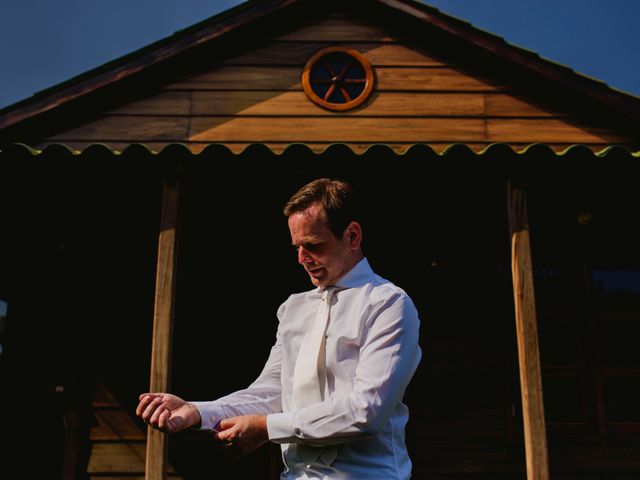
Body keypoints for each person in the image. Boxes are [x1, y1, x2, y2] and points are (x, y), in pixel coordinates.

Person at [137, 178, 422, 479]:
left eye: (313, 245)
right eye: (297, 247)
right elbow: (271, 392)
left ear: (352, 235)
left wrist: (266, 427)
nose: (302, 259)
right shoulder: (294, 308)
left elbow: (367, 410)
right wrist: (198, 412)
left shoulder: (388, 304)